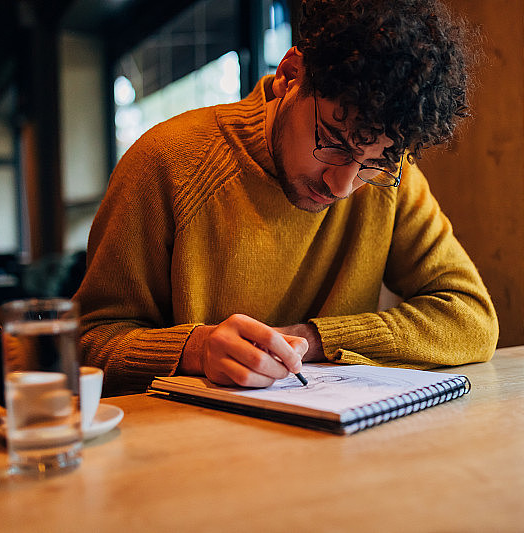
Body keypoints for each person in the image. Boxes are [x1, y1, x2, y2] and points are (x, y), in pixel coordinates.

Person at [74, 0, 499, 396]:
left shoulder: (390, 180)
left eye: (372, 163)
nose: (343, 185)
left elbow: (472, 317)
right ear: (290, 74)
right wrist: (195, 349)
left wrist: (312, 340)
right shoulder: (168, 163)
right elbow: (85, 344)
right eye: (333, 142)